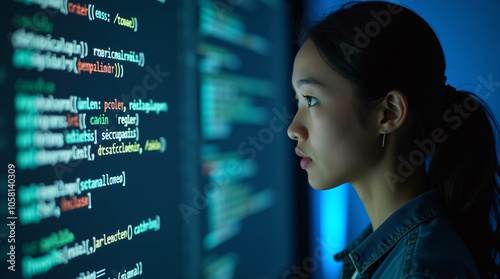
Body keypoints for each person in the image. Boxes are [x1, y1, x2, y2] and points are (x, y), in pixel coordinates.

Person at [287, 1, 500, 278]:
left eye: (312, 100)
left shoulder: (419, 271)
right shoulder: (397, 253)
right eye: (298, 102)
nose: (293, 128)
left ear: (389, 113)